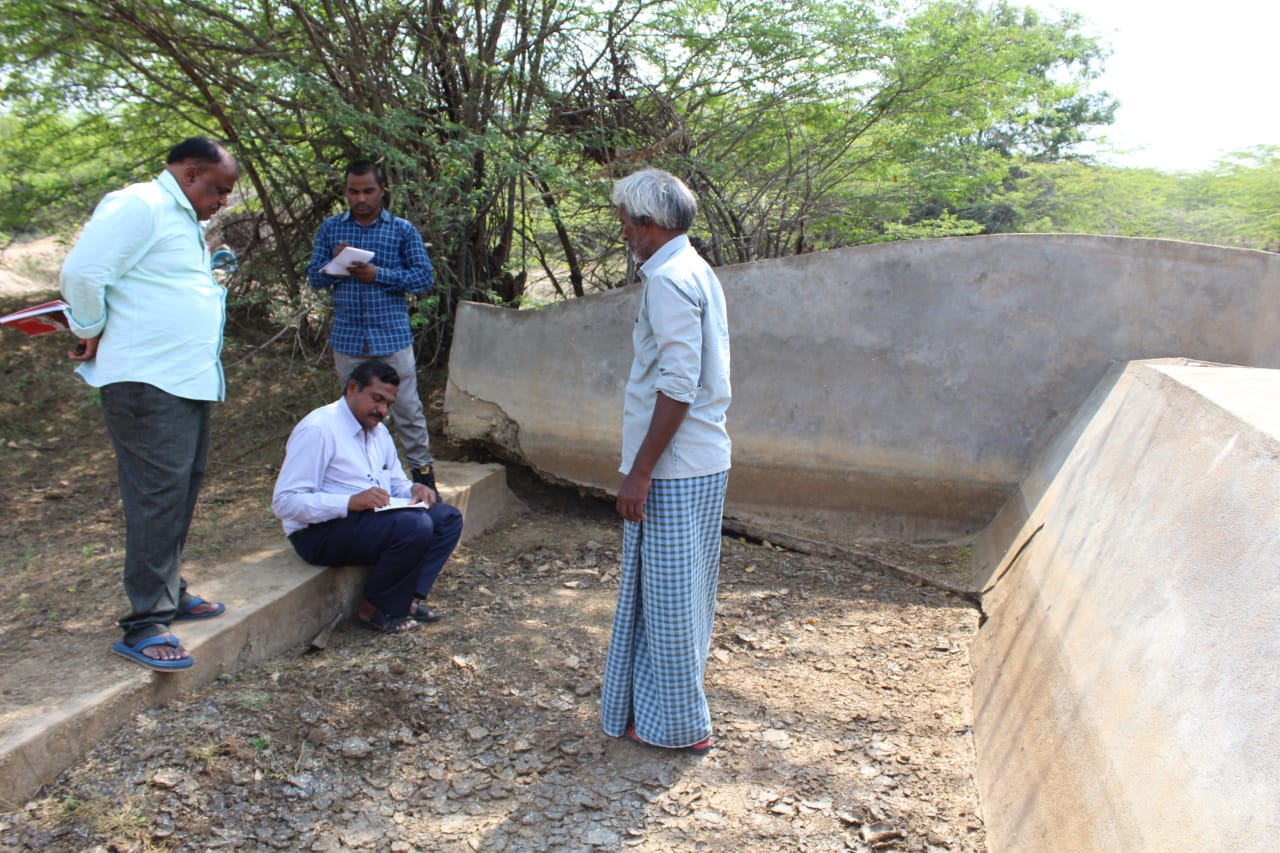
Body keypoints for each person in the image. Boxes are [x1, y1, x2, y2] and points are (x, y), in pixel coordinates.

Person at [60, 136, 239, 671]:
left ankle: (169, 590)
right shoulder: (139, 204)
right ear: (189, 172)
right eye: (219, 189)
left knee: (180, 489)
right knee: (157, 496)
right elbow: (83, 275)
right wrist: (88, 329)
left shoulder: (182, 219)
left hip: (183, 379)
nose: (224, 202)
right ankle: (146, 622)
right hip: (145, 381)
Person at [600, 168, 732, 755]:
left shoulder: (670, 280)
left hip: (677, 467)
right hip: (699, 459)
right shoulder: (691, 269)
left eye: (626, 221)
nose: (623, 231)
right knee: (676, 595)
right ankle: (656, 713)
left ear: (649, 224)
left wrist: (642, 469)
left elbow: (679, 384)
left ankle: (679, 725)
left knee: (671, 602)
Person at [272, 359, 464, 633]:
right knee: (414, 525)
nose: (382, 410)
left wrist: (414, 490)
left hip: (367, 520)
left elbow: (395, 480)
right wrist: (349, 502)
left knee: (447, 518)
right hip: (317, 533)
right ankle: (374, 607)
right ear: (352, 388)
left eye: (388, 404)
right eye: (376, 399)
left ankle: (403, 598)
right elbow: (285, 502)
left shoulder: (378, 431)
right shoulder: (319, 429)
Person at [306, 160, 439, 492]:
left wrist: (378, 274)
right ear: (346, 193)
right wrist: (335, 265)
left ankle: (424, 481)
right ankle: (358, 485)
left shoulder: (401, 230)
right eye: (353, 191)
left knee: (407, 411)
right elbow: (313, 278)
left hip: (392, 337)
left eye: (368, 191)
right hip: (349, 340)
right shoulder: (332, 229)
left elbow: (424, 277)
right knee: (353, 416)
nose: (361, 198)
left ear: (382, 190)